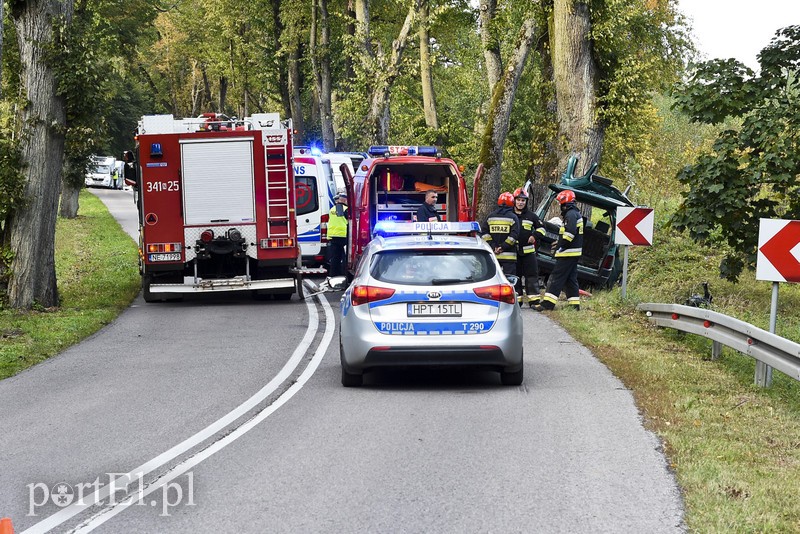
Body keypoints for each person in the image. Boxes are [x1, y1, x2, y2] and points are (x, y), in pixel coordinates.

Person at [535, 189, 583, 311]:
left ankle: (547, 304)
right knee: (570, 279)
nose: (560, 205)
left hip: (568, 253)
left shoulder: (570, 215)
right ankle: (574, 306)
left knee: (556, 277)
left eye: (560, 203)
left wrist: (559, 246)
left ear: (564, 203)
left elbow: (569, 234)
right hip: (573, 253)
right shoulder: (574, 214)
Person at [512, 187, 546, 307]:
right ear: (514, 200)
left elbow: (542, 229)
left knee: (531, 276)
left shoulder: (531, 216)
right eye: (518, 200)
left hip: (528, 253)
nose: (520, 203)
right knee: (515, 277)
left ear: (526, 202)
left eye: (523, 200)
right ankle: (517, 301)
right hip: (513, 253)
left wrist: (534, 236)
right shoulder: (509, 215)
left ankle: (534, 301)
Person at [481, 192, 520, 276]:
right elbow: (514, 236)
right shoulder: (513, 217)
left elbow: (484, 234)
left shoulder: (490, 217)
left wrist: (493, 246)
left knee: (492, 279)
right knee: (509, 279)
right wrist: (502, 247)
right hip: (509, 257)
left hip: (493, 256)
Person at [327, 193, 349, 276]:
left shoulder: (332, 209)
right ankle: (344, 274)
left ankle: (333, 274)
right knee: (345, 257)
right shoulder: (345, 209)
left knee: (335, 257)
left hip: (333, 235)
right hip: (343, 235)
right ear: (345, 200)